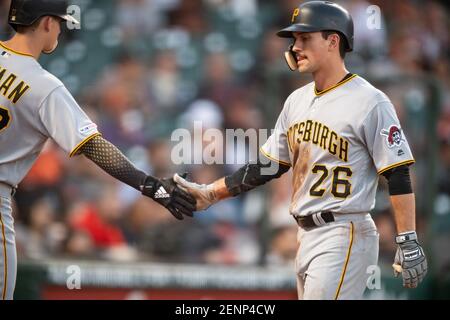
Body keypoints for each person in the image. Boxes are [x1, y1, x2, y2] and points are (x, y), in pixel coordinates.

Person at [174, 1, 427, 299]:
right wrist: (212, 193)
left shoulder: (370, 101)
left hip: (345, 231)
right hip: (305, 235)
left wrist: (407, 239)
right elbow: (268, 166)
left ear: (333, 41)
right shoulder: (296, 100)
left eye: (305, 38)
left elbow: (397, 173)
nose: (295, 46)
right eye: (295, 39)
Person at [0, 0, 195, 300]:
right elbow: (95, 147)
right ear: (47, 23)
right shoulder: (43, 86)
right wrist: (153, 187)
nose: (61, 30)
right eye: (60, 23)